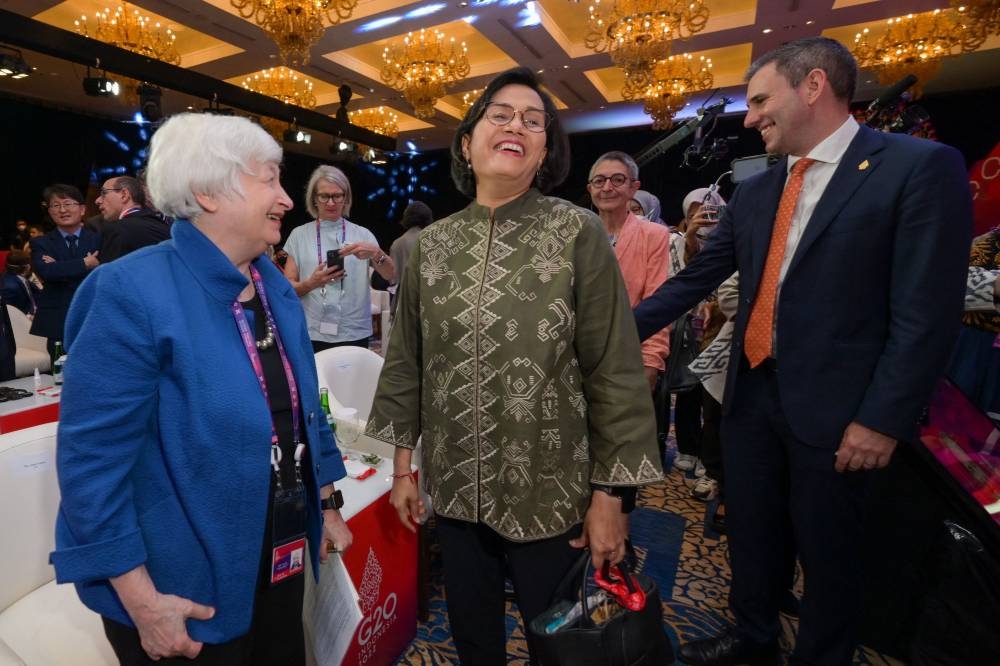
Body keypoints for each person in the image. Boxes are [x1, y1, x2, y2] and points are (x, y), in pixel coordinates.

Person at [633, 37, 971, 664]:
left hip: (844, 412)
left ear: (812, 86)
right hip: (753, 394)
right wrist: (610, 333)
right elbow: (691, 283)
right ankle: (754, 637)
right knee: (753, 534)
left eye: (760, 100)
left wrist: (881, 419)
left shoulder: (919, 167)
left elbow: (926, 315)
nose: (751, 116)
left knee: (831, 552)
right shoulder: (758, 191)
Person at [365, 66, 662, 666]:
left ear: (545, 151)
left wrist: (612, 497)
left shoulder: (575, 232)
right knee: (473, 638)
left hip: (551, 488)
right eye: (500, 114)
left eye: (534, 122)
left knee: (560, 639)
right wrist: (402, 467)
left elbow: (614, 369)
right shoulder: (430, 246)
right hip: (453, 486)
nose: (517, 126)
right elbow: (406, 361)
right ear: (467, 140)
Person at [50, 113, 353, 665]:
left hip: (278, 554)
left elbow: (303, 410)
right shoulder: (127, 289)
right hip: (181, 589)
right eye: (270, 179)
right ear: (208, 192)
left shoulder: (272, 288)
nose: (287, 198)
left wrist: (326, 500)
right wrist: (142, 603)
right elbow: (91, 464)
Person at [282, 165, 397, 352]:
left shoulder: (362, 234)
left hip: (354, 331)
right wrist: (312, 283)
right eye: (324, 196)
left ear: (346, 198)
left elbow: (390, 274)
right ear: (314, 199)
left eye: (337, 196)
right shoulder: (299, 235)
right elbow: (287, 288)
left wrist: (377, 253)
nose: (331, 202)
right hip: (312, 331)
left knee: (352, 381)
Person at [587, 151, 670, 391]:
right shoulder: (577, 235)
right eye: (599, 181)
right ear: (590, 189)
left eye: (618, 180)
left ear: (634, 187)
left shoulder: (654, 235)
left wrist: (651, 361)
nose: (607, 187)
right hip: (579, 355)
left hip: (630, 352)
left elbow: (657, 302)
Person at [29, 184, 101, 360]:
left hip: (94, 314)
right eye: (55, 205)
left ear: (82, 209)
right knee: (60, 375)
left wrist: (60, 266)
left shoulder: (99, 238)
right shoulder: (41, 243)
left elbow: (103, 270)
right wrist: (85, 263)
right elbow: (47, 272)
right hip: (58, 319)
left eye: (68, 204)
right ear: (50, 211)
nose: (62, 210)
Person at [95, 175, 171, 262]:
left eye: (104, 193)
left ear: (124, 195)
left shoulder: (117, 230)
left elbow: (112, 274)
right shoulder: (163, 225)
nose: (97, 200)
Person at [386, 200, 433, 316]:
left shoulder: (397, 243)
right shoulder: (432, 240)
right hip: (428, 301)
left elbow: (393, 279)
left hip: (403, 304)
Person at [1, 249, 39, 318]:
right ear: (27, 267)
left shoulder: (18, 277)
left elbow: (35, 293)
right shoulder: (10, 288)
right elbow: (8, 314)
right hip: (24, 319)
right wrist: (28, 316)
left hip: (34, 308)